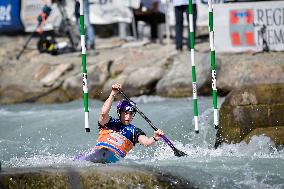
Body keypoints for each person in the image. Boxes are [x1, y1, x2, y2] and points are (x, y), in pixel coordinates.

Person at [77, 83, 164, 163]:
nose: (128, 117)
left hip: (114, 157)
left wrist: (155, 137)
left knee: (105, 153)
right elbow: (103, 113)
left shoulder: (134, 131)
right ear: (119, 113)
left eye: (130, 114)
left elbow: (147, 142)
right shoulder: (108, 122)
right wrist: (113, 93)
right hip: (98, 152)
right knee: (79, 159)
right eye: (125, 113)